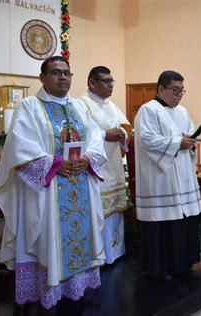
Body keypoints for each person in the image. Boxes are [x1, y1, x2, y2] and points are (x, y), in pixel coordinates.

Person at [0, 56, 106, 308]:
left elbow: (96, 138)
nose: (63, 77)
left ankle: (74, 289)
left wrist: (88, 159)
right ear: (42, 77)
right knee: (50, 241)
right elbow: (20, 147)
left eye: (67, 73)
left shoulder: (80, 107)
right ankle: (50, 290)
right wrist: (55, 163)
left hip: (80, 184)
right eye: (56, 72)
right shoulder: (30, 106)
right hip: (48, 189)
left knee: (78, 238)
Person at [134, 70, 201, 279]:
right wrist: (176, 143)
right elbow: (146, 140)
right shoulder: (147, 110)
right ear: (161, 88)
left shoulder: (182, 111)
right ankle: (160, 267)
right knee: (162, 222)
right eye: (175, 90)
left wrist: (189, 141)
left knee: (182, 221)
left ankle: (182, 263)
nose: (179, 95)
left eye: (182, 90)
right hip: (159, 177)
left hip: (182, 173)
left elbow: (189, 134)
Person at [80, 66, 130, 264]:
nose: (110, 85)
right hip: (95, 169)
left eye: (112, 81)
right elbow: (80, 133)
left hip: (114, 166)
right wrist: (104, 134)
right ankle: (99, 255)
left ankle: (115, 252)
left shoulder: (111, 105)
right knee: (98, 212)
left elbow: (126, 127)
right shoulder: (81, 104)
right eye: (106, 81)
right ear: (92, 83)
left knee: (114, 214)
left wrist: (122, 134)